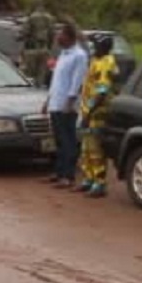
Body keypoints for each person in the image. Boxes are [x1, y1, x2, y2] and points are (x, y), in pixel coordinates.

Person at [43, 23, 88, 189]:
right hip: (56, 102)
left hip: (67, 105)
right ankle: (59, 172)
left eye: (60, 35)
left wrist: (69, 102)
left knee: (68, 141)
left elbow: (77, 81)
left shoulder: (79, 56)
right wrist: (47, 101)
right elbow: (56, 81)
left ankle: (68, 176)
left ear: (70, 37)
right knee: (58, 140)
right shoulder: (63, 54)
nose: (57, 38)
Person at [75, 34, 119, 199]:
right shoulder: (96, 60)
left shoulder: (107, 63)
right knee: (85, 148)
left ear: (104, 47)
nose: (92, 48)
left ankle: (99, 183)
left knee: (96, 149)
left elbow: (102, 92)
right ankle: (89, 178)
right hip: (87, 110)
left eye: (95, 45)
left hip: (98, 113)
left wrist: (89, 113)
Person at [19, 0, 56, 85]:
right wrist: (49, 48)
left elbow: (25, 32)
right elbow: (52, 34)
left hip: (31, 49)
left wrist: (19, 37)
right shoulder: (50, 18)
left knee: (28, 75)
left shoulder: (31, 18)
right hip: (44, 49)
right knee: (41, 74)